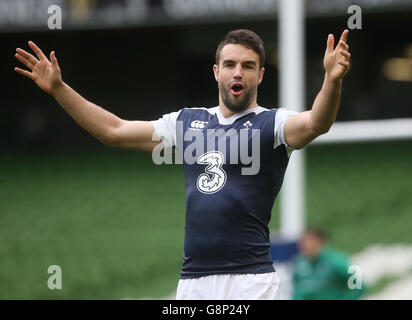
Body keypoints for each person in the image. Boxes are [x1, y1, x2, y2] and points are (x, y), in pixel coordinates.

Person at [14, 29, 351, 299]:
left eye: (248, 66)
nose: (238, 72)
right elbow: (113, 131)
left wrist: (331, 81)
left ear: (260, 75)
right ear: (216, 72)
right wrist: (58, 89)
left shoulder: (273, 124)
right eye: (230, 64)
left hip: (252, 281)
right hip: (194, 282)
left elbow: (316, 123)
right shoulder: (188, 122)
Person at [293, 229, 365, 300]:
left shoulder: (335, 261)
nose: (304, 245)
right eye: (302, 241)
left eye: (309, 240)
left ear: (320, 242)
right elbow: (298, 289)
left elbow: (359, 286)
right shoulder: (299, 263)